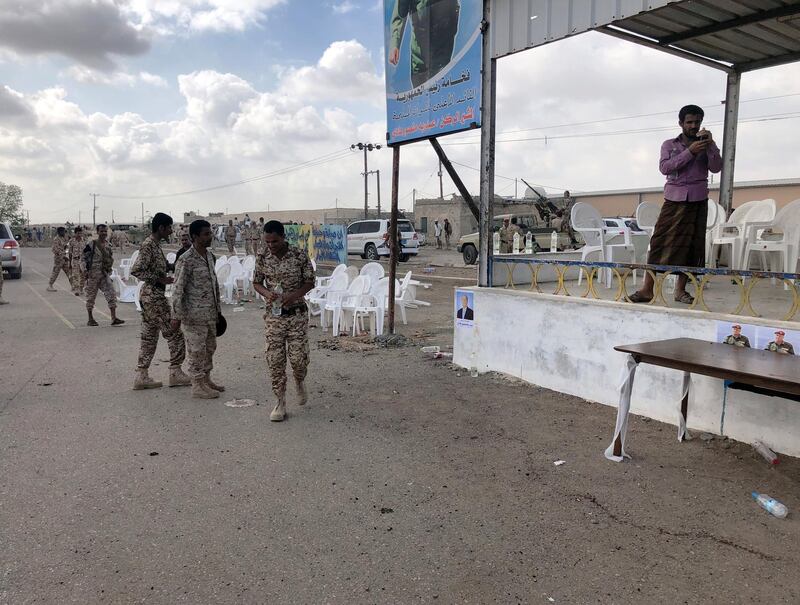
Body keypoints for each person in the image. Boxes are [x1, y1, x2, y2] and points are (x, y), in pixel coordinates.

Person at [630, 104, 722, 304]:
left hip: (698, 200)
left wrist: (712, 145)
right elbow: (665, 168)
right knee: (658, 243)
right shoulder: (669, 144)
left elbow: (716, 168)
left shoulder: (707, 145)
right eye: (689, 122)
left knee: (692, 247)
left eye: (697, 122)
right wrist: (690, 152)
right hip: (674, 198)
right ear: (681, 123)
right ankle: (647, 289)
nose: (693, 126)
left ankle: (680, 290)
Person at [253, 220, 316, 422]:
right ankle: (280, 402)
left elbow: (310, 281)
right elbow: (256, 282)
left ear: (283, 237)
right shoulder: (262, 257)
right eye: (268, 242)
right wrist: (266, 293)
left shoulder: (298, 255)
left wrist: (294, 295)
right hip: (274, 316)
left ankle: (299, 380)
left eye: (275, 241)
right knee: (275, 360)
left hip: (296, 315)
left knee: (298, 360)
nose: (271, 246)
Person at [131, 213, 191, 390]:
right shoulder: (149, 245)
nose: (171, 231)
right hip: (153, 297)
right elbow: (137, 270)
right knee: (174, 332)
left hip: (151, 296)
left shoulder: (155, 245)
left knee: (149, 337)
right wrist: (159, 279)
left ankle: (141, 375)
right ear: (161, 228)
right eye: (169, 227)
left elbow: (161, 266)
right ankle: (175, 372)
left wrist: (174, 267)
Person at [170, 220, 224, 399]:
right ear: (195, 237)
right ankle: (197, 385)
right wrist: (176, 316)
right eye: (206, 234)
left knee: (210, 348)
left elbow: (213, 284)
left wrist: (218, 311)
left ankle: (206, 379)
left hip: (209, 314)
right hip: (193, 316)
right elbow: (177, 289)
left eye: (210, 233)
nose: (210, 237)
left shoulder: (209, 256)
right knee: (196, 350)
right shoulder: (186, 259)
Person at [389, 0, 461, 88]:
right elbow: (400, 13)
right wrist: (395, 44)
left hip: (443, 43)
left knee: (441, 85)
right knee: (419, 89)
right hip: (420, 50)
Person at [83, 224, 125, 327]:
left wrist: (109, 270)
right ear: (97, 232)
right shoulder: (91, 244)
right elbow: (83, 258)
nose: (104, 233)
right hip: (93, 274)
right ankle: (90, 318)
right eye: (101, 231)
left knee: (111, 294)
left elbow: (109, 258)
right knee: (91, 297)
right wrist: (85, 270)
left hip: (104, 274)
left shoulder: (108, 245)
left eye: (105, 231)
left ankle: (114, 318)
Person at [46, 227, 70, 291]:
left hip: (64, 258)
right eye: (63, 232)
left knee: (69, 272)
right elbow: (54, 250)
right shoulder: (56, 239)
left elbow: (66, 246)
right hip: (58, 259)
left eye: (65, 232)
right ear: (59, 232)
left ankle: (74, 286)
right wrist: (62, 254)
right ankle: (50, 286)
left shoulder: (63, 238)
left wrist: (66, 253)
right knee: (55, 273)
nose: (64, 233)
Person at [67, 226, 86, 296]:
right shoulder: (71, 241)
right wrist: (69, 263)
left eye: (80, 233)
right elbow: (70, 252)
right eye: (78, 233)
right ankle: (77, 289)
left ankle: (81, 288)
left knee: (83, 275)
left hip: (83, 260)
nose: (79, 235)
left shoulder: (84, 240)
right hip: (75, 260)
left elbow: (87, 251)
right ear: (75, 233)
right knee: (75, 275)